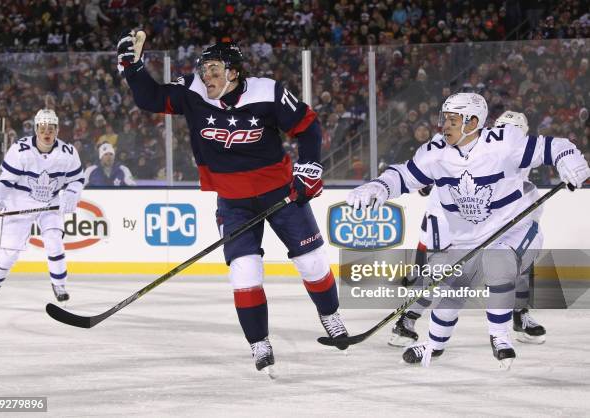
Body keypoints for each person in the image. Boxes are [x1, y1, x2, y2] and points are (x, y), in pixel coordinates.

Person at [117, 32, 348, 375]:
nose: (205, 75)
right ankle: (259, 342)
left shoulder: (267, 91)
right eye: (203, 68)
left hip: (281, 193)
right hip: (233, 201)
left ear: (234, 71)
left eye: (212, 69)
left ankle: (330, 316)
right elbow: (151, 98)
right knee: (244, 272)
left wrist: (309, 168)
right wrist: (133, 67)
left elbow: (308, 128)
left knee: (312, 261)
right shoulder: (192, 90)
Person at [348, 93, 590, 369]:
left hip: (511, 229)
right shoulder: (435, 151)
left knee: (498, 262)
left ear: (473, 121)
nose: (445, 126)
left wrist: (569, 160)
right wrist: (380, 185)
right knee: (453, 287)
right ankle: (433, 345)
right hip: (468, 237)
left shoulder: (503, 144)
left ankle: (500, 337)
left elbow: (556, 147)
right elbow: (404, 174)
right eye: (444, 119)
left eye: (453, 120)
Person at [390, 111, 548, 347]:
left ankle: (519, 314)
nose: (511, 136)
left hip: (487, 222)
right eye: (506, 130)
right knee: (442, 274)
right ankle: (407, 320)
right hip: (447, 219)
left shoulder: (518, 150)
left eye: (517, 133)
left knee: (518, 260)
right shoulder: (474, 144)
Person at [0, 109, 84, 303]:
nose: (47, 132)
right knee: (9, 252)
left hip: (50, 203)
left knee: (54, 240)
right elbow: (4, 182)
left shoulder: (67, 153)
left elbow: (77, 179)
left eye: (51, 128)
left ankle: (59, 284)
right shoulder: (20, 151)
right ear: (36, 129)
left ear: (57, 130)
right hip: (19, 201)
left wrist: (71, 192)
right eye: (43, 127)